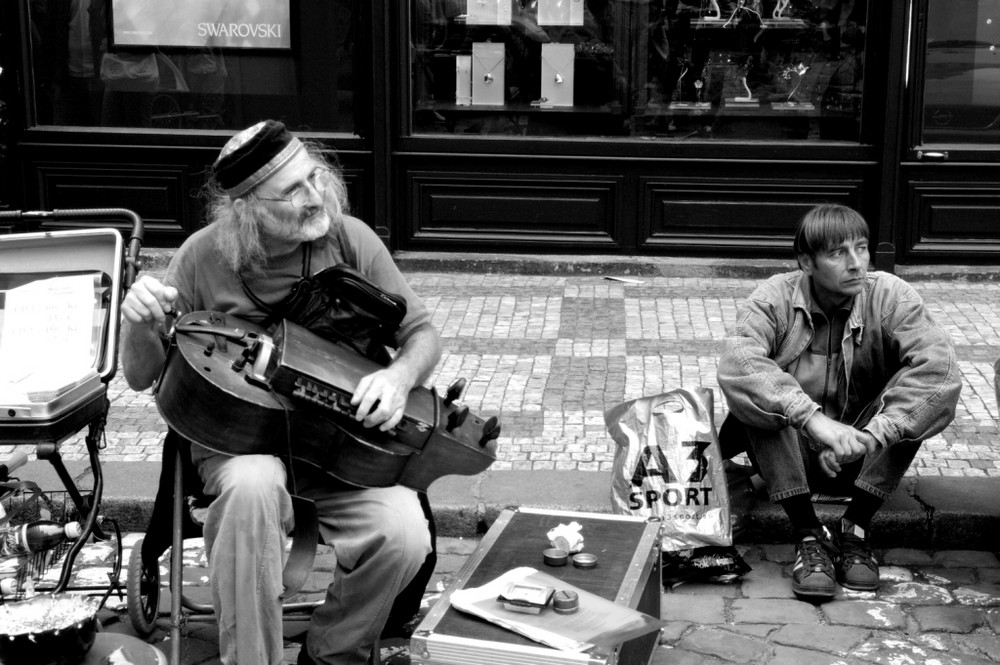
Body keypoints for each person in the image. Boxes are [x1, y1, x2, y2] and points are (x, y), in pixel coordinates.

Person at [120, 120, 442, 664]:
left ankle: (331, 652)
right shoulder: (201, 257)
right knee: (251, 488)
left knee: (405, 532)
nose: (315, 197)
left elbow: (422, 334)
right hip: (238, 445)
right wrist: (137, 323)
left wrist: (399, 376)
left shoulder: (349, 238)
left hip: (337, 449)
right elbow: (140, 376)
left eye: (314, 177)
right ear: (247, 209)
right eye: (293, 191)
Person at [716, 203, 961, 600]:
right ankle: (808, 535)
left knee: (914, 396)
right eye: (837, 253)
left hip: (861, 459)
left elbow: (941, 372)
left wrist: (871, 436)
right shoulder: (775, 297)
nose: (855, 264)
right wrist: (811, 418)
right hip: (788, 457)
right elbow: (738, 360)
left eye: (861, 248)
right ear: (806, 261)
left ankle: (855, 529)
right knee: (761, 395)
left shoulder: (891, 295)